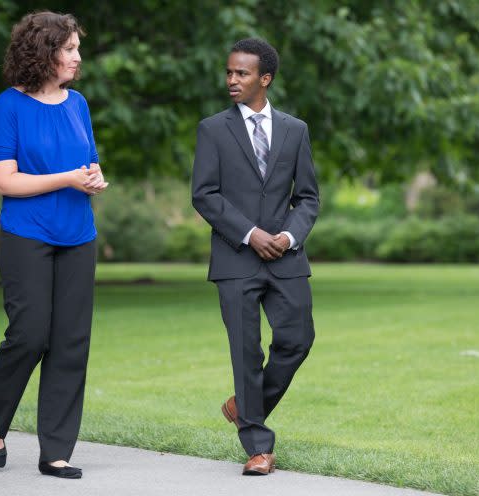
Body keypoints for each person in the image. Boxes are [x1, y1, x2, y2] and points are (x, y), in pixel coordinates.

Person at [0, 11, 108, 480]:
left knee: (71, 344)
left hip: (78, 237)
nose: (77, 56)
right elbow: (3, 180)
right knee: (30, 333)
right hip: (26, 236)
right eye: (69, 48)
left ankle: (55, 451)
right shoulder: (9, 106)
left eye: (76, 48)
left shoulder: (78, 104)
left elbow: (87, 163)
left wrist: (92, 178)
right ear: (44, 52)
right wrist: (68, 178)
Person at [191, 38, 320, 476]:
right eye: (229, 72)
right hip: (235, 259)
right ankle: (259, 447)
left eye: (241, 73)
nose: (231, 80)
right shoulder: (212, 129)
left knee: (298, 338)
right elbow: (203, 194)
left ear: (264, 78)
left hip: (286, 259)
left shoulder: (295, 129)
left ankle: (244, 404)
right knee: (245, 353)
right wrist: (250, 234)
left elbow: (307, 198)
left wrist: (286, 236)